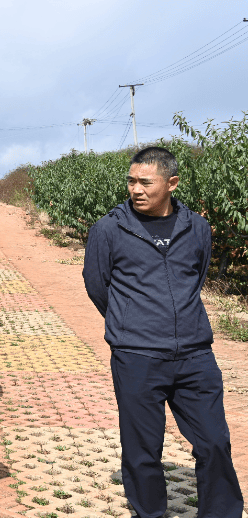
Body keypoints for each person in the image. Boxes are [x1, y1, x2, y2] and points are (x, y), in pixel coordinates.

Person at [83, 146, 243, 518]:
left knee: (215, 442)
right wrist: (130, 322)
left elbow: (196, 276)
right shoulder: (109, 228)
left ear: (171, 183)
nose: (135, 189)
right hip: (137, 357)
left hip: (195, 356)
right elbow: (97, 284)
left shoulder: (197, 227)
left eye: (145, 182)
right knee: (143, 450)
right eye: (131, 181)